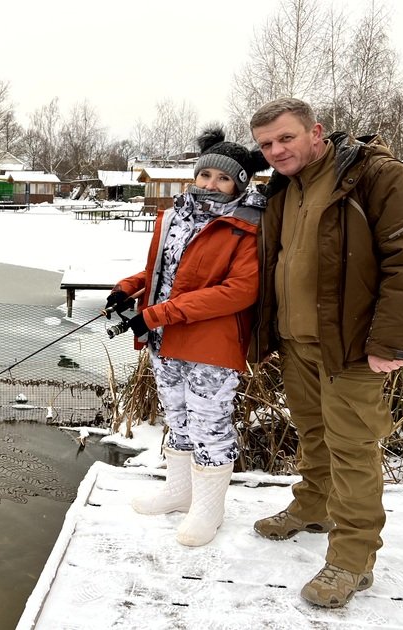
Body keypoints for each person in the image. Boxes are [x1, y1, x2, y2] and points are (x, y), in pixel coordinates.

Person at [248, 97, 403, 608]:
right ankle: (313, 505)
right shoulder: (283, 190)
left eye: (286, 138)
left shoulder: (378, 177)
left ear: (316, 132)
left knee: (353, 449)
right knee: (312, 432)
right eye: (266, 143)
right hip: (298, 342)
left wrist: (391, 340)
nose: (276, 150)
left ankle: (352, 559)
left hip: (353, 346)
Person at [106, 127, 268, 547]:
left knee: (209, 423)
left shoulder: (249, 225)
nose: (211, 185)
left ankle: (209, 509)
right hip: (166, 337)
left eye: (223, 178)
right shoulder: (173, 215)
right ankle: (180, 492)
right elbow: (166, 274)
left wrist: (157, 314)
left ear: (240, 183)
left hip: (212, 341)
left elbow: (239, 291)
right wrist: (129, 287)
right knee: (175, 416)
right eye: (205, 175)